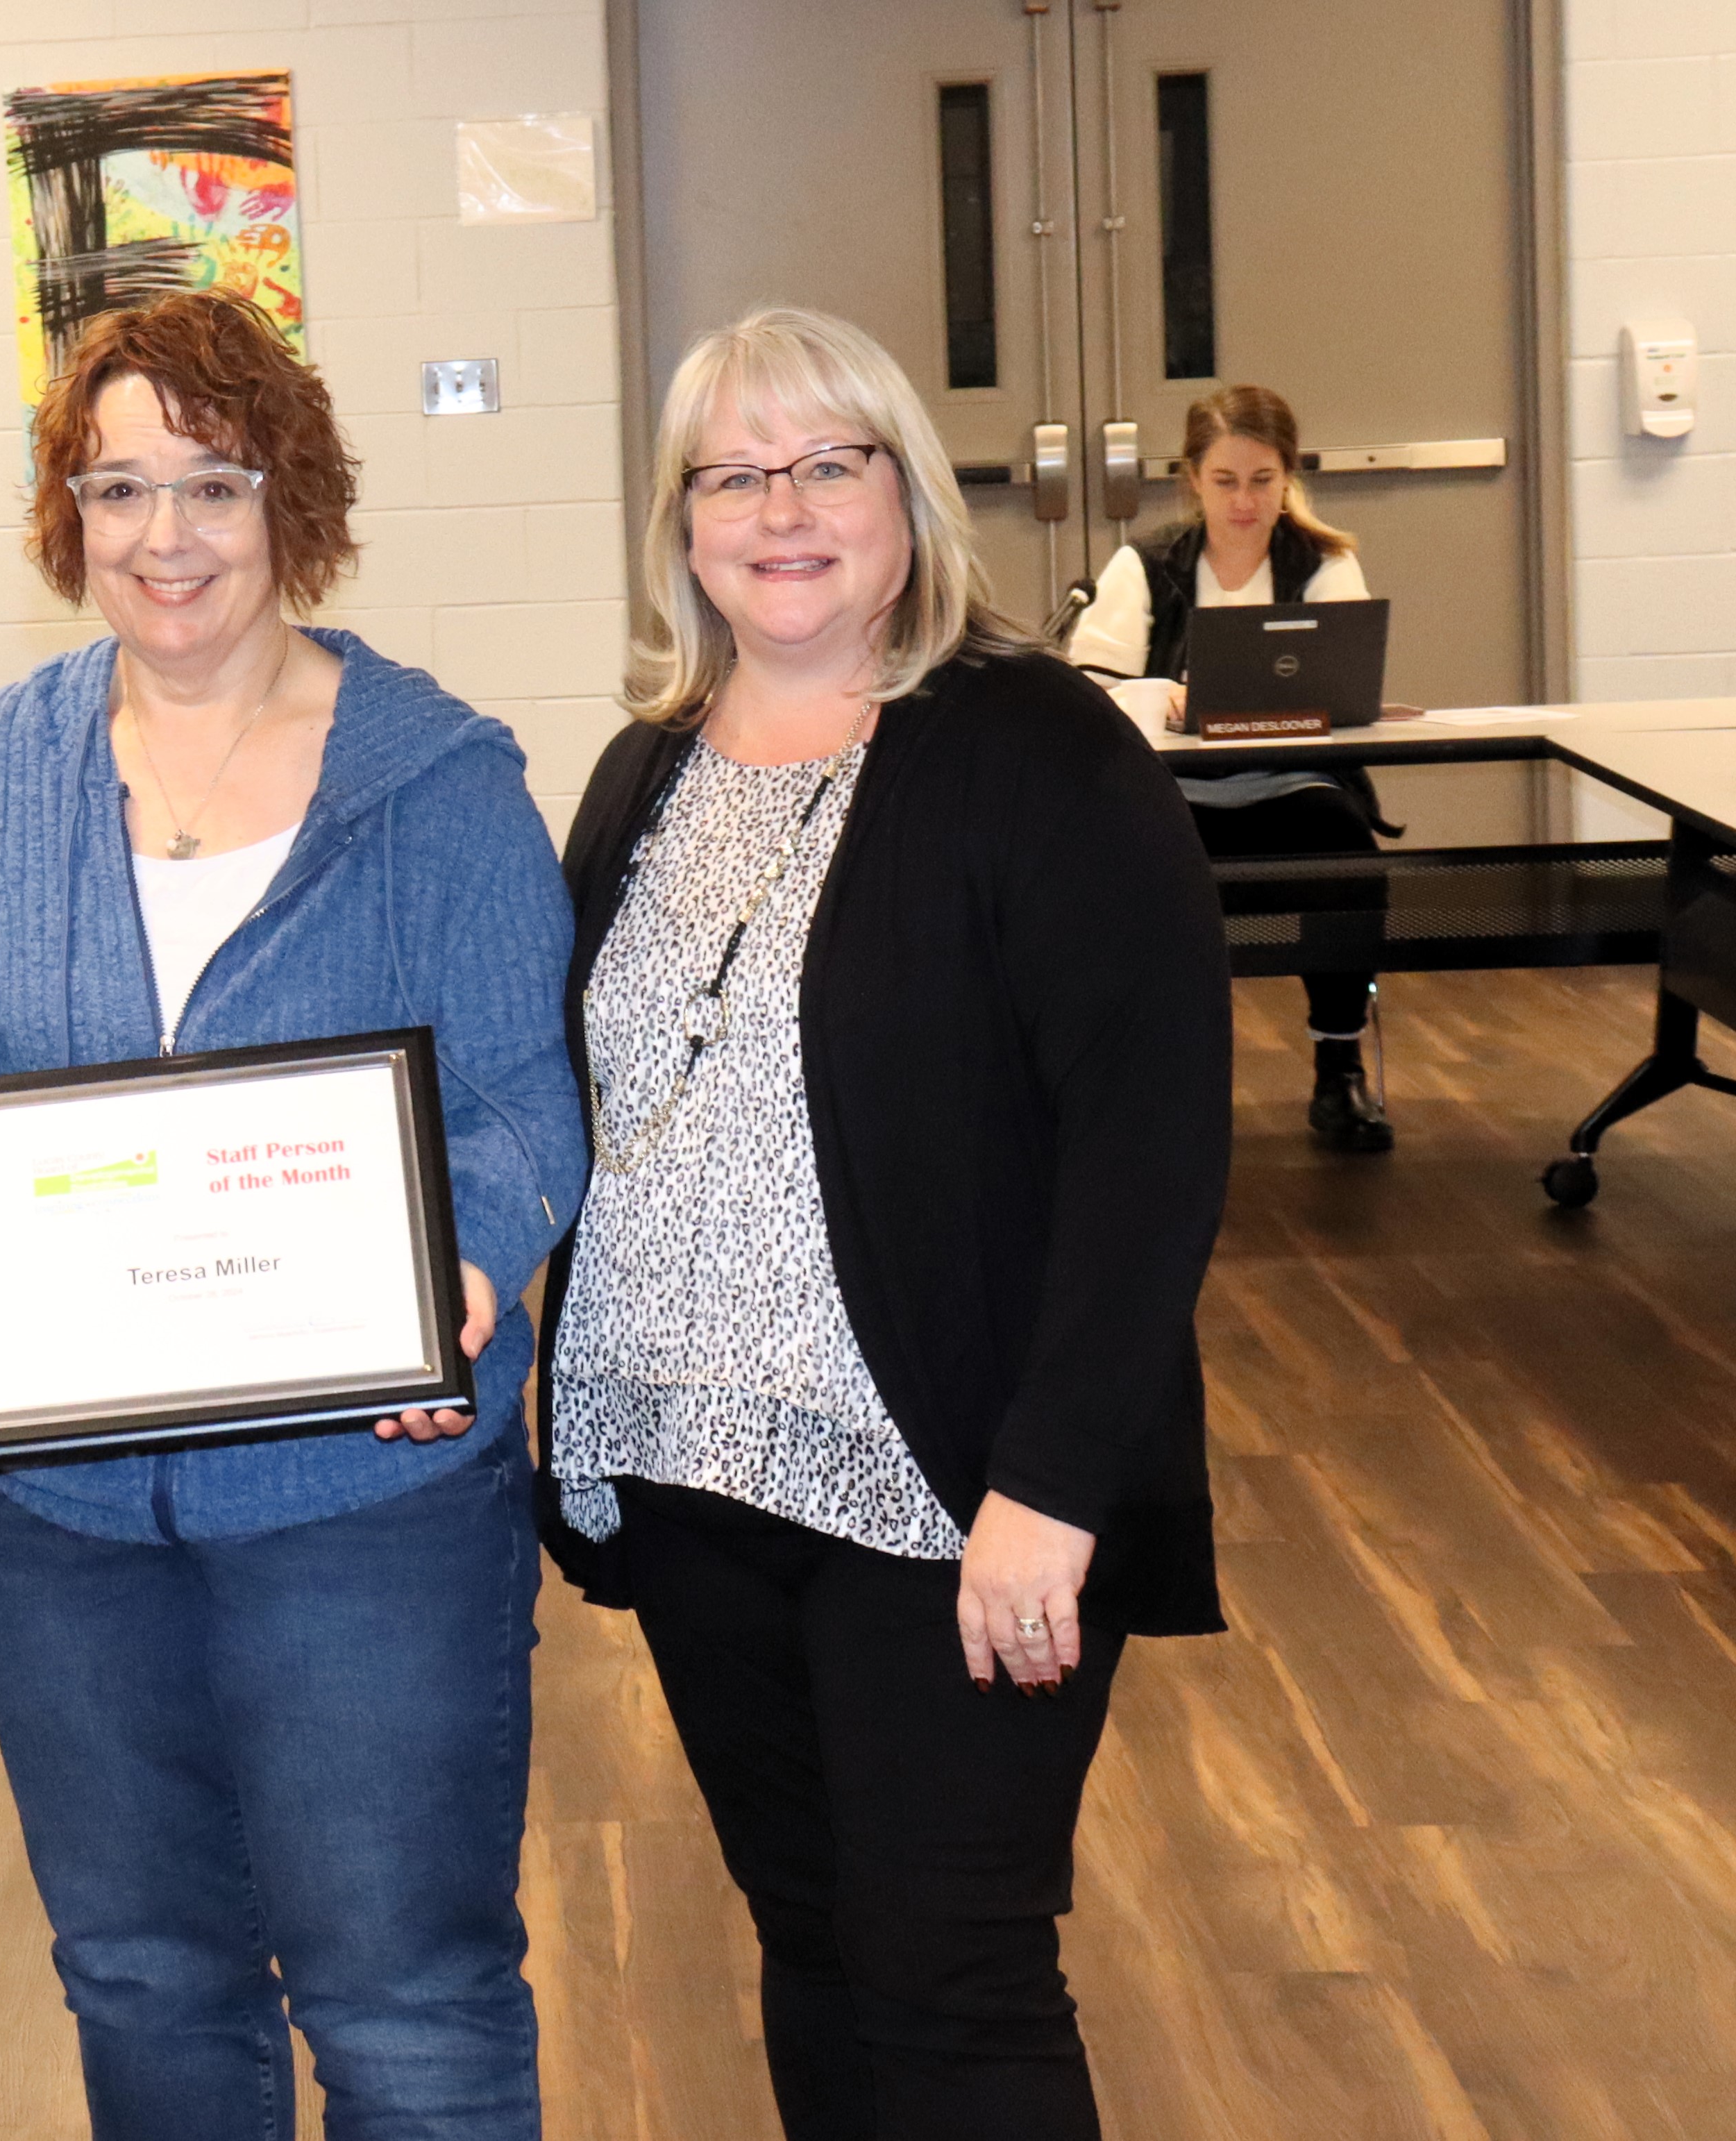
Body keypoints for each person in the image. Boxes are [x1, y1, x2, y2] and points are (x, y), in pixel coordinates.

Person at [0, 291, 584, 2141]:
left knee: (403, 1987)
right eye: (118, 487)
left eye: (213, 482)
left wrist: (470, 1269)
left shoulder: (440, 781)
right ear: (66, 512)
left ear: (294, 500)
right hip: (69, 1514)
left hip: (370, 1489)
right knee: (143, 1974)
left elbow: (518, 1100)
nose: (164, 536)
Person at [536, 306, 1232, 2141]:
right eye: (735, 472)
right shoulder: (647, 767)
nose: (783, 509)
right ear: (683, 520)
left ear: (907, 493)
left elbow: (1151, 1147)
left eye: (828, 462)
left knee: (955, 1972)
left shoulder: (1042, 751)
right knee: (817, 1937)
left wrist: (1058, 1483)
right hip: (695, 1473)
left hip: (946, 1482)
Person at [1068, 383, 1395, 1151]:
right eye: (1224, 482)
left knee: (1345, 853)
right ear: (1191, 481)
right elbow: (1089, 685)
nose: (1243, 502)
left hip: (1288, 788)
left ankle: (1337, 1065)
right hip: (1172, 794)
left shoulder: (1322, 564)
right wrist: (1162, 698)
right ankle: (1143, 1078)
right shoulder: (1144, 565)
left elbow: (1342, 687)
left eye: (1260, 481)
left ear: (1286, 478)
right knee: (1121, 860)